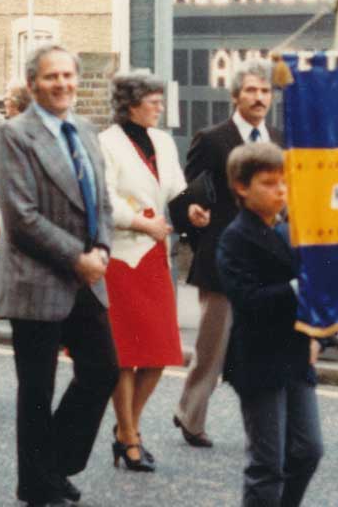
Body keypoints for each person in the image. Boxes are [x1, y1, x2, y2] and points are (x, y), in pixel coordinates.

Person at [0, 44, 119, 507]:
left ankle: (51, 464)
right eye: (51, 77)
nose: (62, 84)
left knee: (103, 369)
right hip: (38, 278)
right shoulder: (13, 136)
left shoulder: (84, 129)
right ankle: (38, 485)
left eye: (68, 75)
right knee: (37, 389)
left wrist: (102, 247)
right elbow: (21, 219)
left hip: (87, 274)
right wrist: (77, 257)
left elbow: (102, 200)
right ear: (32, 84)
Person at [175, 58, 278, 448]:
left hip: (268, 263)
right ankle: (191, 415)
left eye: (265, 91)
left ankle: (265, 428)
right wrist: (193, 214)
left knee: (264, 349)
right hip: (222, 258)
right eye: (251, 90)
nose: (258, 97)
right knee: (212, 347)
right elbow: (190, 191)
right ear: (235, 96)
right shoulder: (212, 138)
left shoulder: (279, 139)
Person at [217, 141, 323, 507]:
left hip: (295, 351)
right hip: (259, 358)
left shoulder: (291, 229)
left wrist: (316, 332)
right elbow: (247, 300)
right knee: (267, 463)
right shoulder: (235, 238)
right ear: (242, 188)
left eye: (285, 182)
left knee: (308, 450)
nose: (281, 190)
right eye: (269, 183)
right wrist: (296, 289)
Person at [99, 71, 194, 472]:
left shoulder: (164, 142)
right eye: (153, 101)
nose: (159, 107)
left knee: (158, 354)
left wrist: (192, 211)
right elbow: (104, 200)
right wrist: (142, 223)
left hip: (155, 258)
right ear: (131, 104)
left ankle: (127, 430)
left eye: (160, 100)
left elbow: (175, 190)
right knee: (125, 355)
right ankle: (130, 437)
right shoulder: (106, 143)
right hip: (121, 257)